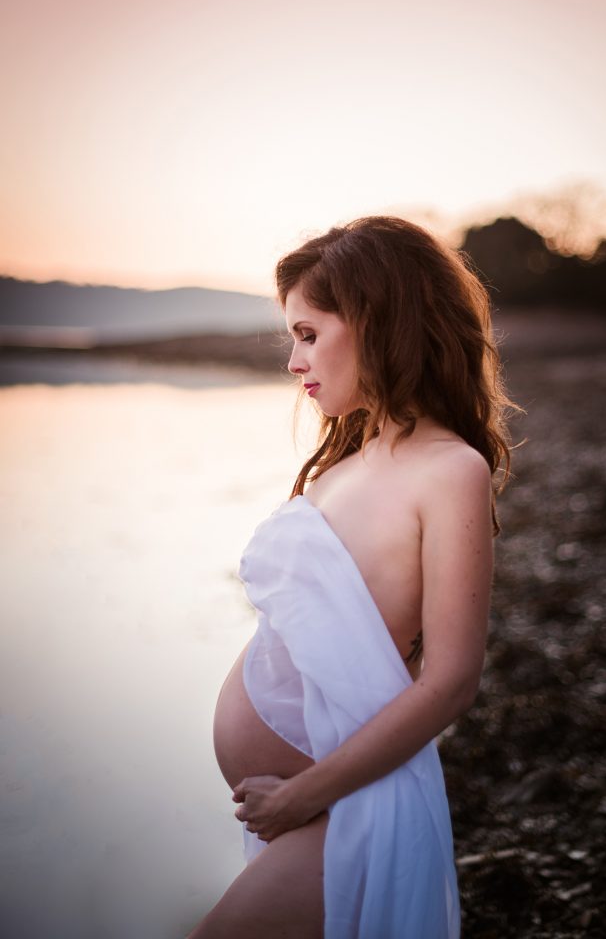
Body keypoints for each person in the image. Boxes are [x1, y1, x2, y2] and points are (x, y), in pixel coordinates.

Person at [188, 215, 516, 939]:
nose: (293, 361)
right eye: (291, 339)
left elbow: (451, 682)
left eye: (307, 334)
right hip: (305, 806)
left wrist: (303, 795)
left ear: (376, 322)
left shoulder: (448, 471)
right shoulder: (347, 461)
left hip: (345, 805)